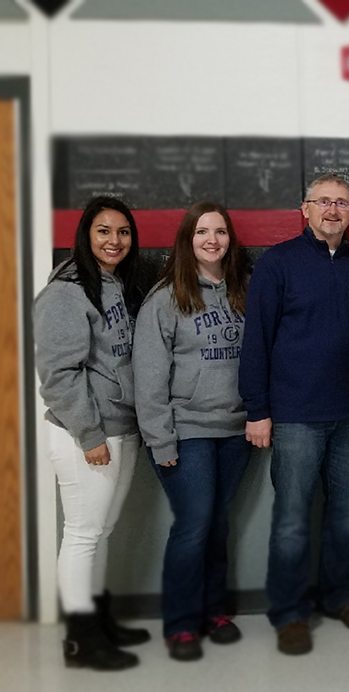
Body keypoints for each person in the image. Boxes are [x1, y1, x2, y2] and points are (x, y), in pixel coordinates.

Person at [239, 173, 349, 656]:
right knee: (293, 519)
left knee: (344, 514)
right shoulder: (277, 265)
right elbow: (255, 341)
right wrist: (257, 410)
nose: (333, 210)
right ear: (305, 209)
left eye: (342, 203)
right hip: (295, 414)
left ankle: (341, 596)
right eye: (324, 202)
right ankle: (290, 611)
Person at [34, 195, 154, 670]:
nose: (114, 241)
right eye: (103, 231)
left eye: (123, 232)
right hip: (87, 432)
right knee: (83, 534)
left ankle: (99, 620)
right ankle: (81, 638)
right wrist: (88, 433)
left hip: (119, 426)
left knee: (100, 532)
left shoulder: (117, 285)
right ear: (86, 235)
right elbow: (59, 375)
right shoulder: (67, 289)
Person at [134, 202, 252, 661]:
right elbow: (148, 379)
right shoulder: (165, 299)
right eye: (202, 231)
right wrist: (161, 440)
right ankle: (182, 623)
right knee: (194, 524)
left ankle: (214, 610)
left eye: (220, 231)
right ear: (187, 239)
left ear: (229, 240)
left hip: (235, 429)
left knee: (217, 525)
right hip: (186, 431)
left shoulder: (245, 290)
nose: (211, 240)